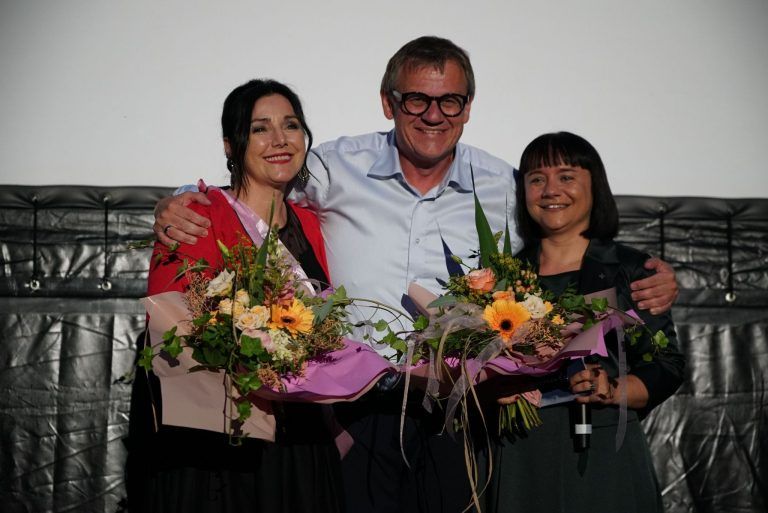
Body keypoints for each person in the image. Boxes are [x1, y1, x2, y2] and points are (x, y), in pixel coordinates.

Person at [150, 37, 679, 512]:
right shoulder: (335, 167)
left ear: (468, 106)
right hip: (354, 414)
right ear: (389, 102)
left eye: (450, 101)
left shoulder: (503, 185)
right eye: (416, 100)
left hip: (458, 414)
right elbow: (256, 186)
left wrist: (646, 273)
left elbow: (564, 235)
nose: (434, 115)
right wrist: (181, 200)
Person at [126, 79, 343, 513]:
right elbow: (171, 328)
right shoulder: (196, 215)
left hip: (298, 443)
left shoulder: (310, 224)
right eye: (260, 128)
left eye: (291, 125)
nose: (279, 139)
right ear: (231, 145)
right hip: (220, 447)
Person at [483, 132, 685, 513]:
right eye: (537, 179)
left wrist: (612, 388)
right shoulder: (503, 279)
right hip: (520, 456)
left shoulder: (630, 270)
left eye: (567, 176)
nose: (550, 190)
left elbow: (667, 365)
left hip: (604, 456)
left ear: (595, 186)